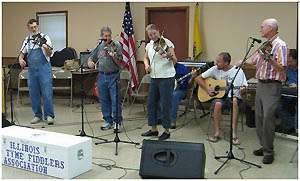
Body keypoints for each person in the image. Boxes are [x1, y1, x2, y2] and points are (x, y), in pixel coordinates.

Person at [240, 18, 288, 164]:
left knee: (268, 118)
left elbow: (283, 67)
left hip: (272, 85)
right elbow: (252, 61)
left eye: (262, 27)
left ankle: (269, 151)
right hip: (260, 84)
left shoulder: (280, 45)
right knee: (259, 117)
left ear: (271, 28)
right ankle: (264, 146)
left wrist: (269, 59)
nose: (260, 29)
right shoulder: (264, 45)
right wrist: (239, 62)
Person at [195, 52, 247, 145]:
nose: (216, 63)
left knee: (234, 101)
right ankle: (216, 133)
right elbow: (198, 78)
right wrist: (207, 89)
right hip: (221, 97)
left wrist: (243, 90)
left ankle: (234, 134)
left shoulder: (238, 71)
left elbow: (244, 88)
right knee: (217, 104)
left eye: (219, 62)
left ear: (226, 63)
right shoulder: (215, 69)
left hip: (234, 97)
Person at [141, 24, 177, 141]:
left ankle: (166, 130)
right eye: (150, 35)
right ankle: (154, 129)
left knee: (165, 104)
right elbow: (145, 57)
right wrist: (146, 65)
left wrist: (167, 55)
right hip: (154, 77)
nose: (152, 36)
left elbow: (175, 60)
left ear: (158, 31)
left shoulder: (167, 43)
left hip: (166, 77)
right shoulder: (149, 45)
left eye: (154, 33)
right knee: (151, 103)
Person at [18, 19, 55, 125]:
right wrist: (21, 59)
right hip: (32, 70)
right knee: (33, 93)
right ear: (28, 28)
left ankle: (49, 115)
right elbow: (21, 53)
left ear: (38, 27)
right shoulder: (27, 40)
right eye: (31, 27)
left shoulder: (45, 37)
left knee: (47, 92)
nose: (33, 29)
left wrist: (44, 45)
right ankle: (37, 115)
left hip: (44, 69)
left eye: (35, 27)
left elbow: (50, 53)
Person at [87, 26, 123, 131]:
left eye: (109, 36)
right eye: (105, 36)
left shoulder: (116, 45)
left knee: (115, 100)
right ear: (102, 37)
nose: (107, 38)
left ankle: (117, 122)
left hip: (113, 75)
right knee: (103, 100)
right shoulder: (100, 45)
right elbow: (91, 57)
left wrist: (113, 56)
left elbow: (120, 62)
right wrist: (90, 62)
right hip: (102, 75)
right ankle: (108, 121)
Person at [157, 63, 197, 129]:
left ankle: (172, 121)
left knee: (174, 95)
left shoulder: (182, 68)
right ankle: (160, 118)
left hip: (181, 90)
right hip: (168, 89)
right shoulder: (164, 67)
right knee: (158, 93)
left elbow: (189, 84)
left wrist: (192, 77)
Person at [277, 49, 297, 134]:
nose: (287, 62)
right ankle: (290, 125)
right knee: (276, 105)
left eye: (290, 60)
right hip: (287, 94)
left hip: (297, 96)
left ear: (295, 59)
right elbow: (283, 80)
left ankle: (295, 128)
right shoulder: (287, 69)